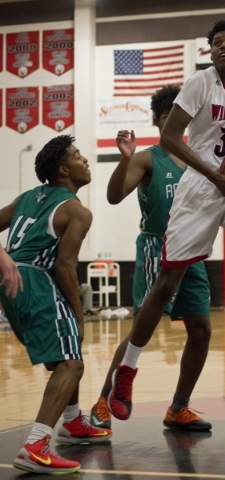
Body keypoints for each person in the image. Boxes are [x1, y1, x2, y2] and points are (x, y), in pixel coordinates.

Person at [106, 18, 225, 424]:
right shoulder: (201, 83)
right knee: (166, 283)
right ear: (211, 52)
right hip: (200, 188)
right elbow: (170, 137)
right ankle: (128, 371)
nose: (223, 46)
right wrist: (213, 176)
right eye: (217, 43)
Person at [90, 85, 212, 432]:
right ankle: (103, 400)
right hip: (156, 249)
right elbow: (114, 197)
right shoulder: (147, 158)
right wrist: (125, 158)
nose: (176, 118)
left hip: (193, 249)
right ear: (160, 119)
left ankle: (178, 408)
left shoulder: (198, 157)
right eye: (170, 113)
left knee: (201, 330)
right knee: (142, 326)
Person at [0, 135, 112, 475]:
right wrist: (78, 314)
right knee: (71, 365)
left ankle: (74, 421)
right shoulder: (77, 210)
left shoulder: (26, 198)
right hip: (37, 281)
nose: (85, 160)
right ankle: (35, 445)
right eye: (78, 156)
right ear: (64, 170)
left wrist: (4, 257)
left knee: (65, 356)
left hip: (10, 285)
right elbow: (65, 266)